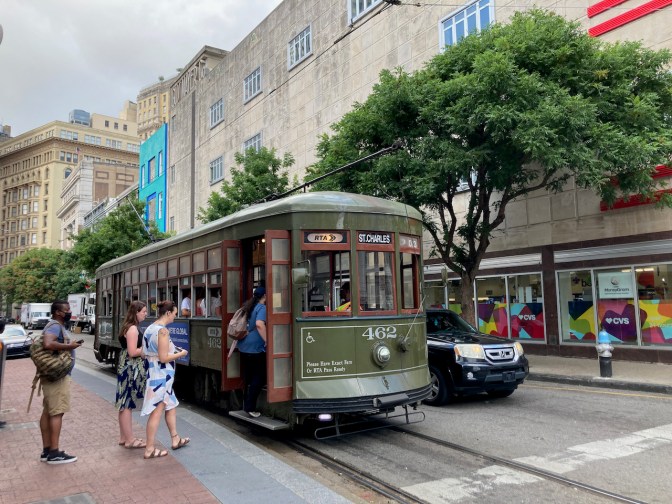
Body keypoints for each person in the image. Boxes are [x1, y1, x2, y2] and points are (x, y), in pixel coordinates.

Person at [141, 300, 190, 459]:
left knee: (171, 405)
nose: (175, 317)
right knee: (156, 411)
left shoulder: (150, 328)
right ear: (168, 313)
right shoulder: (162, 331)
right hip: (161, 376)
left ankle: (175, 438)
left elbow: (145, 352)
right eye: (174, 314)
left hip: (155, 374)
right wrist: (181, 354)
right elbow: (163, 358)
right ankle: (149, 449)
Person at [39, 300, 82, 464]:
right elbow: (48, 343)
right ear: (58, 312)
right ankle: (54, 453)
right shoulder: (55, 326)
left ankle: (47, 450)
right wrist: (69, 346)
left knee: (48, 411)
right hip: (57, 377)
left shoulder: (53, 325)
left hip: (51, 376)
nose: (69, 312)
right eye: (67, 310)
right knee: (56, 412)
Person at [115, 301, 148, 449]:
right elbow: (133, 352)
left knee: (123, 404)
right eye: (143, 312)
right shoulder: (133, 329)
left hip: (124, 367)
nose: (145, 314)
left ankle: (124, 437)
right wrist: (147, 350)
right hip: (130, 369)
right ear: (136, 313)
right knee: (127, 404)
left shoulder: (127, 327)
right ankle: (130, 440)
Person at [237, 287, 267, 417]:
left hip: (244, 345)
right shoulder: (261, 308)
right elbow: (260, 324)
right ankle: (250, 407)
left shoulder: (249, 306)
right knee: (260, 378)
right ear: (265, 295)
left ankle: (245, 404)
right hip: (256, 348)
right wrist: (268, 341)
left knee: (248, 377)